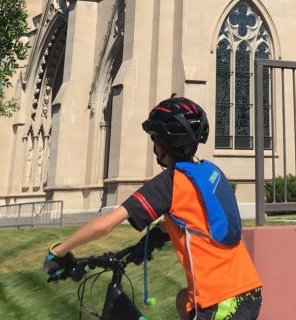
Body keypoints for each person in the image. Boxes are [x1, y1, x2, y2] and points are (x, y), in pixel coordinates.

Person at [43, 96, 263, 320]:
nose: (154, 147)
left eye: (154, 140)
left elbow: (105, 224)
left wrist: (58, 253)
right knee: (182, 300)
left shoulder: (170, 182)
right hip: (248, 290)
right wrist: (149, 242)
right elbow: (194, 219)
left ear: (165, 143)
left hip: (221, 303)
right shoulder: (207, 172)